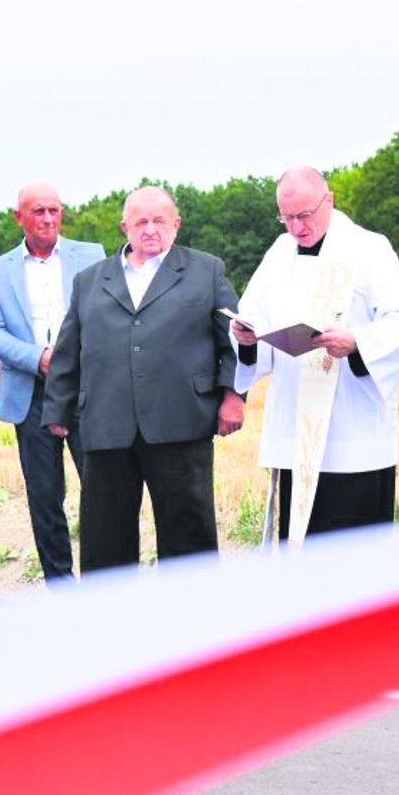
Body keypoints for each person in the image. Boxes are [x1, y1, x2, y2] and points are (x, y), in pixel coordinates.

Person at [41, 185, 243, 571]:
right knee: (105, 536)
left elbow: (233, 340)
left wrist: (233, 395)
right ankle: (112, 622)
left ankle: (194, 619)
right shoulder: (89, 281)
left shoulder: (206, 270)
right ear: (125, 228)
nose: (151, 229)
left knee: (189, 531)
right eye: (141, 222)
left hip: (182, 420)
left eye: (159, 221)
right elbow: (69, 349)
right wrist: (57, 410)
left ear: (176, 224)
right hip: (107, 424)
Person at [230, 167, 399, 543]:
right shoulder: (278, 253)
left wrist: (357, 343)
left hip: (353, 432)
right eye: (286, 218)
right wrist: (247, 336)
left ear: (329, 201)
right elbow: (252, 312)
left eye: (304, 215)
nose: (296, 228)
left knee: (355, 552)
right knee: (306, 551)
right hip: (296, 432)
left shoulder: (369, 248)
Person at [0, 183, 106, 586]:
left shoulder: (92, 256)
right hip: (31, 391)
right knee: (45, 496)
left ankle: (105, 579)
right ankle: (60, 585)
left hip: (87, 390)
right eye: (38, 211)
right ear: (19, 217)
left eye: (54, 210)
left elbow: (108, 315)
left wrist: (72, 360)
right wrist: (39, 358)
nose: (48, 219)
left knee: (101, 490)